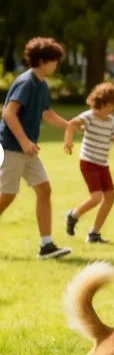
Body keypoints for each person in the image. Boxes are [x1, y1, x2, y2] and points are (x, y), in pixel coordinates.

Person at [0, 37, 72, 259]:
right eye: (53, 61)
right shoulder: (26, 82)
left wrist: (68, 125)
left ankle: (46, 245)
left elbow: (46, 113)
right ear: (42, 61)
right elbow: (8, 113)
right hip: (12, 147)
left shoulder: (41, 84)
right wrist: (23, 141)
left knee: (44, 189)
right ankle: (46, 245)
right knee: (7, 195)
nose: (56, 65)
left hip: (28, 150)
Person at [62, 83, 114, 244]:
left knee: (110, 197)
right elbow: (71, 125)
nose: (110, 108)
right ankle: (73, 215)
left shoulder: (111, 121)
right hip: (88, 162)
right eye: (107, 104)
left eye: (113, 105)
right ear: (99, 102)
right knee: (96, 197)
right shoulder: (89, 116)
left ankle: (94, 234)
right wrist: (68, 141)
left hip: (102, 164)